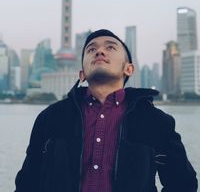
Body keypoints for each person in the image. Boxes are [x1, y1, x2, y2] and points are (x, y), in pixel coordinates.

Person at [15, 29, 198, 192]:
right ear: (82, 74)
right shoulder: (51, 118)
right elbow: (28, 182)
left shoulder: (155, 122)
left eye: (110, 47)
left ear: (129, 69)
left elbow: (183, 183)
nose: (99, 51)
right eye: (91, 49)